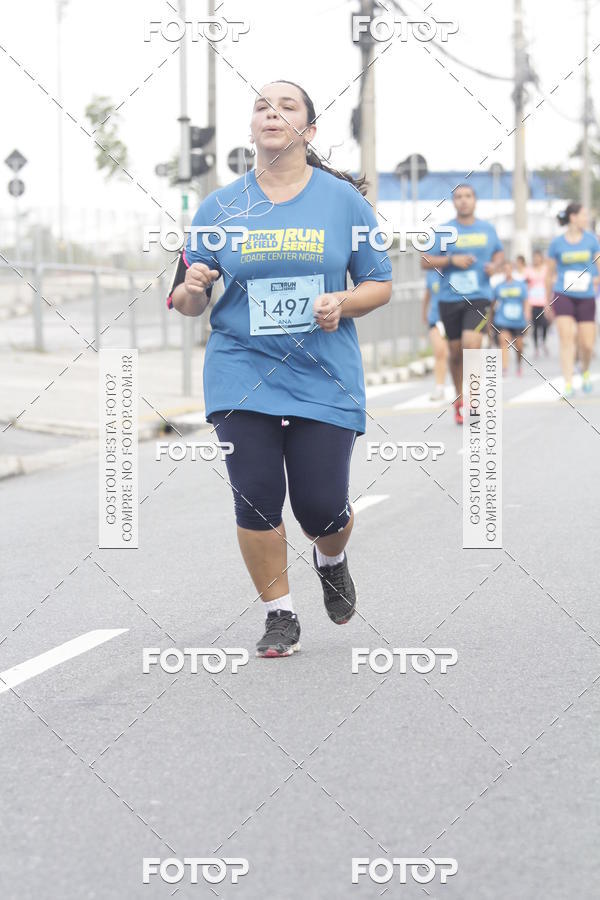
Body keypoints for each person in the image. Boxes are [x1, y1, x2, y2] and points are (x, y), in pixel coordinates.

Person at [167, 80, 392, 657]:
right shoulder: (220, 206)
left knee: (321, 507)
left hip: (323, 371)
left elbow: (379, 284)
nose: (271, 113)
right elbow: (187, 302)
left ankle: (331, 558)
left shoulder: (344, 202)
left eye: (286, 106)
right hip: (240, 370)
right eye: (261, 107)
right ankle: (279, 614)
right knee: (256, 496)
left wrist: (342, 301)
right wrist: (194, 285)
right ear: (252, 128)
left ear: (308, 130)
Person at [421, 184, 504, 424]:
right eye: (458, 197)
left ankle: (474, 401)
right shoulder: (443, 231)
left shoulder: (487, 229)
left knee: (471, 343)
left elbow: (499, 254)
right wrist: (451, 260)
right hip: (450, 298)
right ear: (454, 202)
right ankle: (460, 399)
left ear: (475, 200)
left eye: (468, 196)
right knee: (456, 352)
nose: (463, 200)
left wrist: (495, 266)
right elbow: (425, 261)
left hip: (479, 296)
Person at [546, 202, 600, 398]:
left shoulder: (592, 240)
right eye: (584, 215)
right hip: (563, 294)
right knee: (566, 339)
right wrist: (547, 301)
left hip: (586, 296)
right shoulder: (557, 243)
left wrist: (594, 279)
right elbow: (549, 274)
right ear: (573, 217)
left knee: (587, 344)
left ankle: (584, 370)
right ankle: (568, 383)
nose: (586, 219)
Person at [492, 260, 530, 376]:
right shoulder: (499, 286)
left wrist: (527, 316)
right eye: (505, 269)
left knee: (519, 346)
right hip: (503, 319)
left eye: (509, 269)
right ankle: (504, 368)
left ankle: (519, 364)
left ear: (512, 270)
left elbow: (526, 301)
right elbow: (493, 303)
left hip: (518, 320)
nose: (507, 271)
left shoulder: (521, 285)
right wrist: (490, 319)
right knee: (503, 341)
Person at [422, 268, 448, 401]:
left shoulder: (454, 269)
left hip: (454, 318)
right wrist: (424, 312)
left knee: (457, 354)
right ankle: (439, 387)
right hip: (436, 319)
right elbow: (427, 294)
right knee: (440, 352)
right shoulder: (431, 274)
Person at [525, 249, 550, 357]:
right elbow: (525, 286)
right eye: (534, 258)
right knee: (535, 326)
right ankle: (536, 347)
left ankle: (543, 341)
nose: (536, 259)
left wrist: (549, 302)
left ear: (541, 258)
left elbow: (549, 285)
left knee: (545, 324)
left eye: (538, 257)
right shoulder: (528, 270)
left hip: (543, 301)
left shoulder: (546, 269)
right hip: (532, 302)